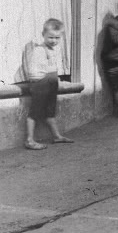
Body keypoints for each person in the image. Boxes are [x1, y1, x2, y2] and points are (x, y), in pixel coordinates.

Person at [22, 18, 74, 149]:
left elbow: (53, 67)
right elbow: (33, 71)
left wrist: (55, 80)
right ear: (43, 35)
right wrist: (40, 80)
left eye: (57, 38)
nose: (54, 41)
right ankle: (29, 140)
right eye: (51, 37)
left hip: (51, 84)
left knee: (50, 111)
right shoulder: (39, 50)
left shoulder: (54, 50)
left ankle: (57, 136)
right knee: (35, 111)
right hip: (41, 85)